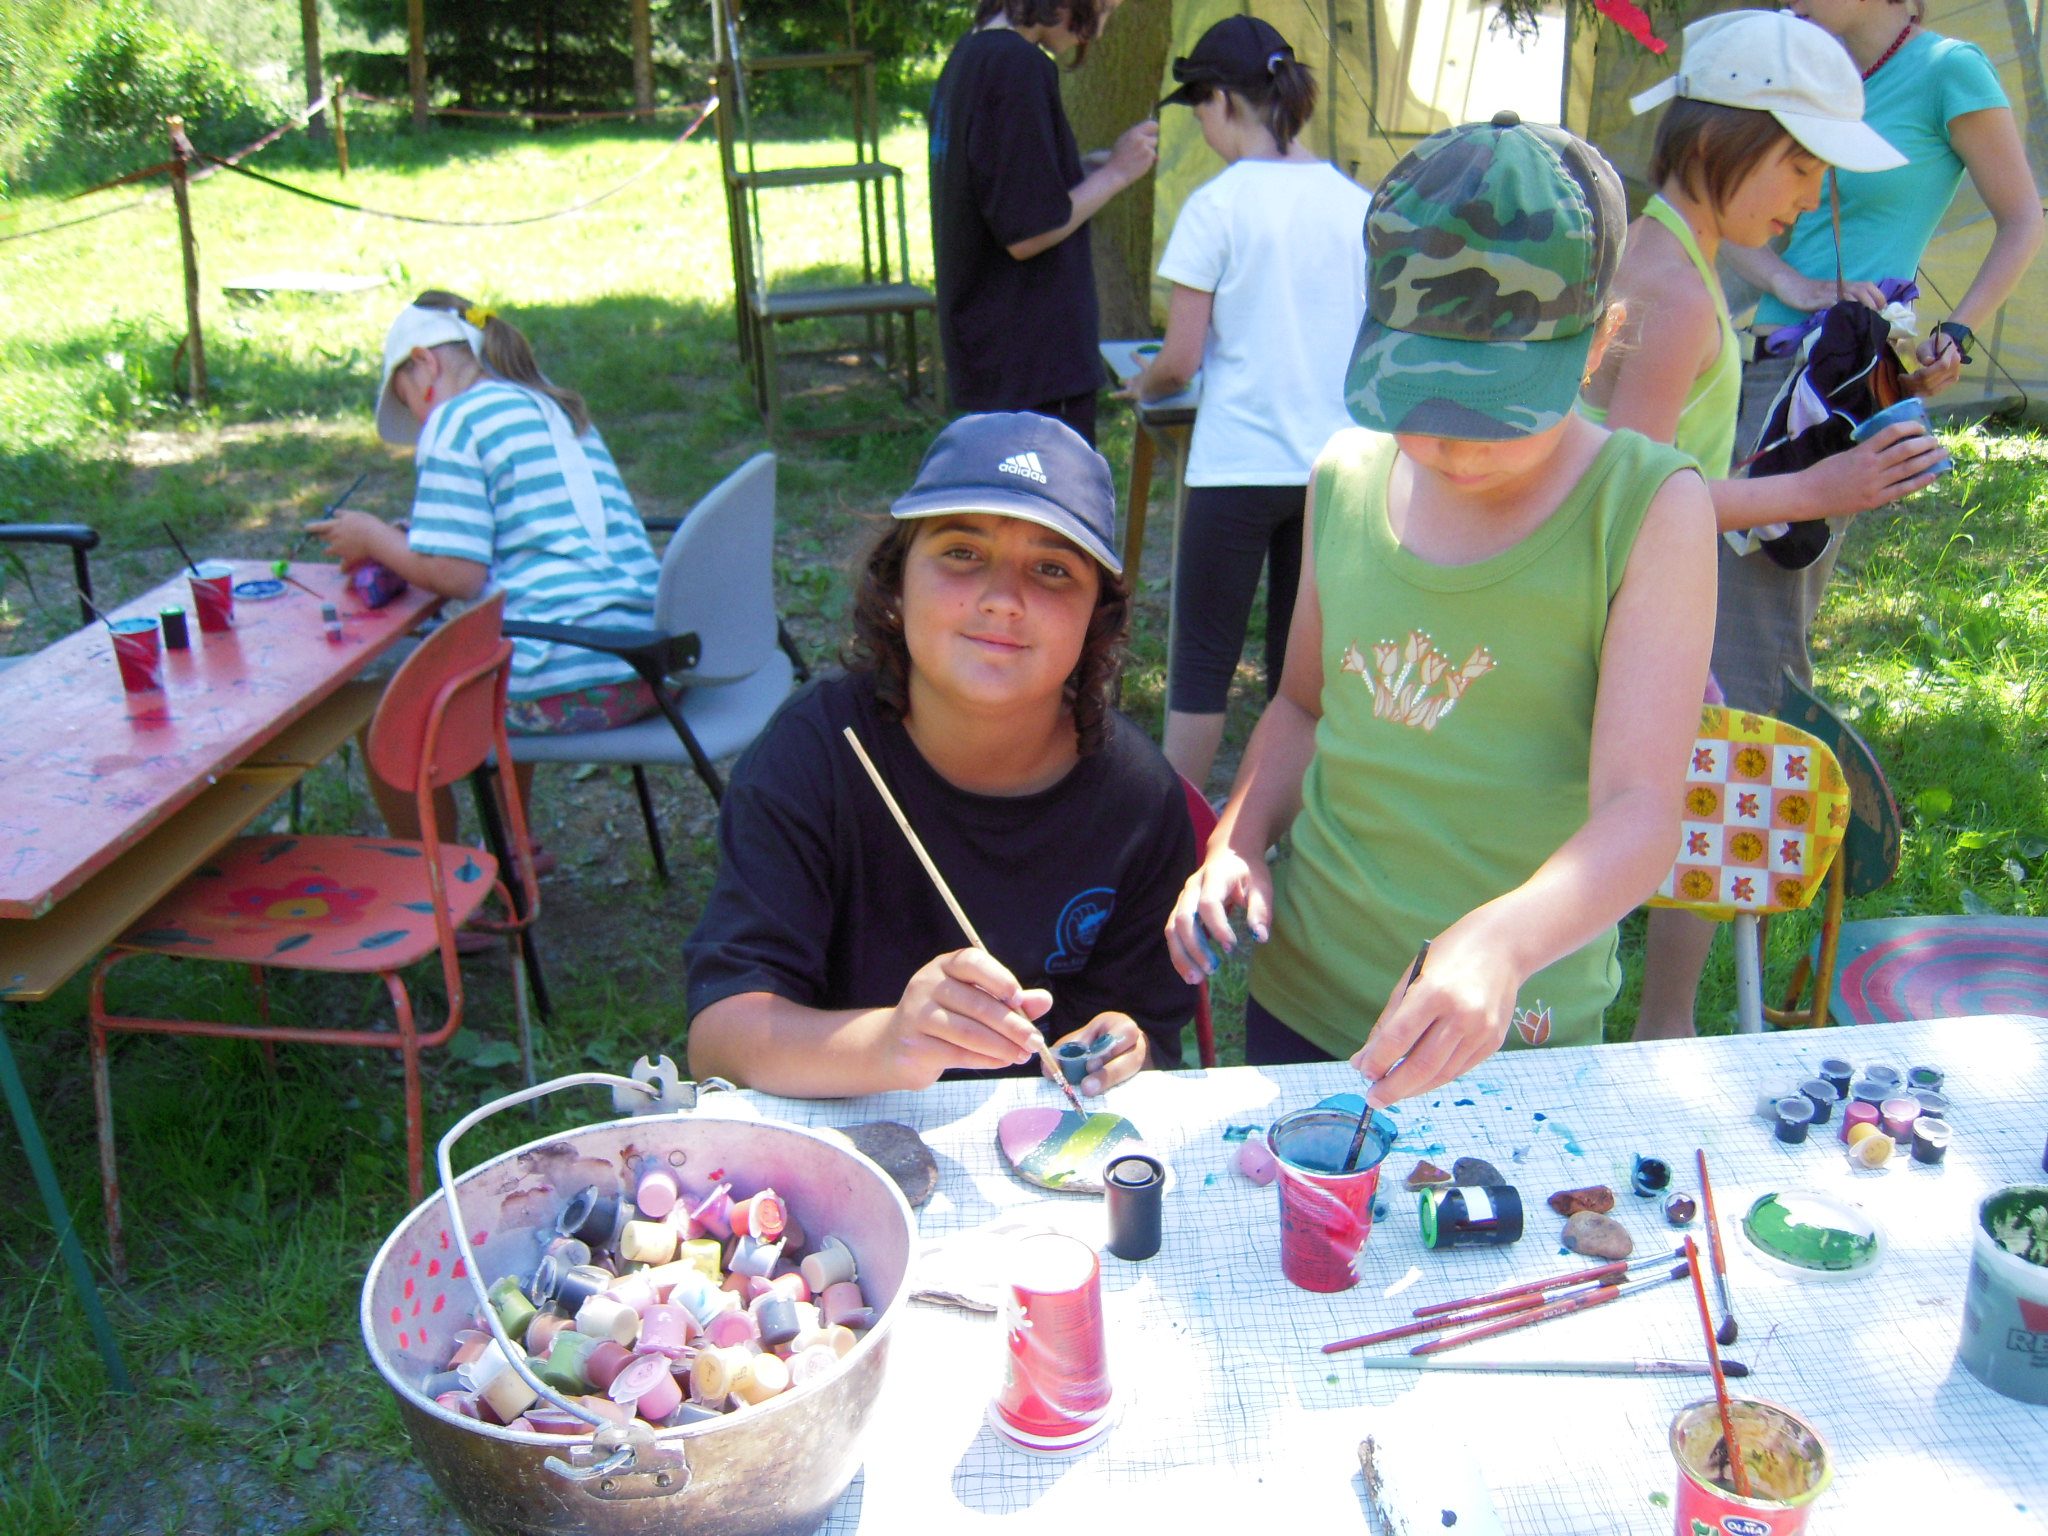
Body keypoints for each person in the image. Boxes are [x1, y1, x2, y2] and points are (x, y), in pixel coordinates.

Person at [1165, 114, 1716, 1106]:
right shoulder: (1343, 475)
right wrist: (1236, 840)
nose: (1452, 442)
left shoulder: (1647, 509)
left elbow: (1639, 811)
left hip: (1508, 1022)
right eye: (1420, 399)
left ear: (1598, 341)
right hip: (1304, 995)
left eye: (1496, 406)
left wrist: (1502, 943)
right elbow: (1300, 707)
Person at [1577, 12, 1953, 1038]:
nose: (1812, 194)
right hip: (1627, 614)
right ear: (1719, 142)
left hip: (1658, 600)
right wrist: (1814, 489)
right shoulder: (1672, 291)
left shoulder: (1681, 259)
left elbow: (1661, 475)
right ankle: (1638, 1027)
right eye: (1798, 164)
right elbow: (1627, 494)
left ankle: (1658, 1025)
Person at [685, 413, 1196, 1099]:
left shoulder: (1137, 798)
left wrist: (1121, 1045)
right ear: (897, 582)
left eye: (1052, 569)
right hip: (842, 1126)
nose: (1003, 600)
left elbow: (1147, 1029)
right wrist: (890, 1042)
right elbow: (720, 1038)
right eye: (962, 552)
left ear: (1096, 616)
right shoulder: (814, 755)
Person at [1714, 0, 2042, 716]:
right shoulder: (1796, 68)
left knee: (1753, 634)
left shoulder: (1948, 70)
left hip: (1831, 384)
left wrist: (1956, 332)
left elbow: (2023, 219)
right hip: (1739, 368)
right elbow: (1715, 206)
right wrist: (1790, 282)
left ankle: (1766, 784)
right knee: (1699, 609)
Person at [312, 293, 661, 860]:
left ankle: (438, 883)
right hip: (645, 663)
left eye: (409, 403)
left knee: (384, 715)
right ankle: (513, 846)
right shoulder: (553, 406)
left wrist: (374, 538)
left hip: (569, 679)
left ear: (424, 364)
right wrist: (416, 539)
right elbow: (525, 533)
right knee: (507, 641)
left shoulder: (456, 420)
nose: (420, 421)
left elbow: (457, 575)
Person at [1127, 14, 1371, 792]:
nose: (1200, 126)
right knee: (1298, 674)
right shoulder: (1357, 204)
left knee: (1202, 661)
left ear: (1224, 101)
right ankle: (1281, 832)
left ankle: (1178, 829)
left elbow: (1180, 360)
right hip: (1334, 470)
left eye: (1198, 107)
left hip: (1235, 465)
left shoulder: (1215, 206)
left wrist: (1142, 383)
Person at [928, 0, 1159, 446]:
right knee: (1054, 493)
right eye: (1102, 10)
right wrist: (1116, 174)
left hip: (996, 359)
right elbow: (1028, 232)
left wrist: (1079, 170)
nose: (1098, 32)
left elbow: (999, 188)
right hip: (1036, 368)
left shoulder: (971, 54)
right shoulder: (1016, 65)